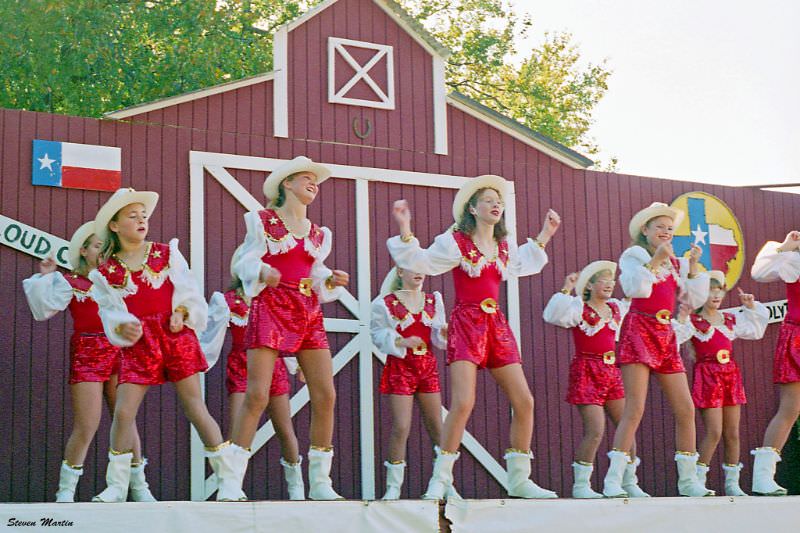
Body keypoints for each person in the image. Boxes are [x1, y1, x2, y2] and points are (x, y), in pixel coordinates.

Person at [388, 174, 560, 499]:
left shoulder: (503, 247)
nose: (496, 205)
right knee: (463, 402)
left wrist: (545, 234)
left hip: (496, 323)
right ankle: (440, 481)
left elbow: (524, 264)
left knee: (524, 401)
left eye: (499, 201)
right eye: (489, 200)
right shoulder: (456, 242)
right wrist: (406, 230)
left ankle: (520, 479)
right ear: (472, 207)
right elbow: (423, 261)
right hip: (467, 322)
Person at [89, 188, 235, 502]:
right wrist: (121, 325)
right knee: (124, 412)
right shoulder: (106, 273)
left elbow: (190, 291)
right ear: (114, 225)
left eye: (144, 215)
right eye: (132, 215)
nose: (141, 219)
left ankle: (229, 482)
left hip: (174, 334)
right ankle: (117, 485)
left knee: (195, 407)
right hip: (140, 341)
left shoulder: (165, 254)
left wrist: (183, 313)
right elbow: (109, 311)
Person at [226, 156, 349, 501]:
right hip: (272, 306)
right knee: (257, 395)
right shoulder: (261, 221)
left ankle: (321, 482)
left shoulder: (318, 233)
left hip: (307, 310)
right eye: (306, 178)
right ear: (287, 185)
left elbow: (314, 269)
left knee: (325, 394)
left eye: (316, 180)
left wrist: (331, 278)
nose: (314, 184)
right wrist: (262, 271)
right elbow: (243, 260)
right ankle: (231, 483)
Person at [23, 222, 154, 502]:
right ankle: (66, 491)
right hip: (88, 352)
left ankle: (139, 487)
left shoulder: (119, 282)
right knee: (87, 423)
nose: (103, 251)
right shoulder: (72, 283)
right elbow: (42, 308)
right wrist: (46, 277)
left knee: (125, 418)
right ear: (83, 251)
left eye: (106, 247)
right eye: (97, 246)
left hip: (120, 351)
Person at [602, 202, 712, 497]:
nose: (666, 232)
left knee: (685, 408)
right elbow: (634, 289)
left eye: (670, 228)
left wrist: (695, 266)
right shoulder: (634, 255)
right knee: (634, 408)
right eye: (660, 227)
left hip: (665, 334)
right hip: (640, 329)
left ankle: (688, 482)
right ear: (645, 230)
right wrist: (654, 261)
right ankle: (617, 479)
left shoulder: (676, 262)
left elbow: (695, 296)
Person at [543, 261, 648, 498]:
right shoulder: (579, 308)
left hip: (613, 371)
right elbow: (552, 315)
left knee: (627, 425)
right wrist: (566, 289)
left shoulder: (617, 309)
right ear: (589, 285)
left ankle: (629, 481)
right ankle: (581, 486)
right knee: (596, 429)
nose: (609, 285)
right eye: (604, 280)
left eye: (612, 281)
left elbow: (639, 306)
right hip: (587, 370)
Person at [673, 270, 768, 496]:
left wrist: (750, 307)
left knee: (732, 432)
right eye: (710, 291)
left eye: (719, 291)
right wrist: (683, 318)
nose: (716, 296)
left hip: (730, 375)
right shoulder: (695, 321)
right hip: (708, 376)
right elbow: (674, 338)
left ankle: (732, 484)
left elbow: (755, 331)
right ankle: (696, 480)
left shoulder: (730, 319)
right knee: (714, 431)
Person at [748, 231, 800, 495]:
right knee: (790, 408)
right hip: (798, 336)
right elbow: (760, 273)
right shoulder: (794, 259)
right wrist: (783, 248)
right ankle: (763, 478)